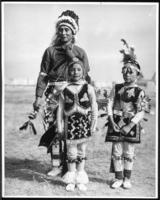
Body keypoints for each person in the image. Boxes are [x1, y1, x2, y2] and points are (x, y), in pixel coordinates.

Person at [33, 10, 91, 177]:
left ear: (74, 32)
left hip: (74, 95)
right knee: (55, 130)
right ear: (57, 31)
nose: (64, 32)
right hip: (53, 95)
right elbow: (43, 75)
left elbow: (85, 75)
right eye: (61, 29)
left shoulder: (80, 52)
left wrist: (70, 53)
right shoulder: (50, 51)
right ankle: (57, 165)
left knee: (74, 130)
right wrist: (38, 96)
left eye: (67, 29)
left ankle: (73, 167)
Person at [105, 39, 150, 189]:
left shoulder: (140, 91)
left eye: (130, 72)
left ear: (137, 74)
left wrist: (130, 124)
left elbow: (141, 111)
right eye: (124, 71)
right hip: (116, 122)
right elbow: (110, 103)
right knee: (117, 150)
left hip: (131, 124)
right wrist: (111, 120)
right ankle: (118, 178)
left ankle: (127, 179)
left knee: (129, 151)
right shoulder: (116, 87)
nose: (126, 74)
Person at [57, 60, 98, 191]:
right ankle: (71, 179)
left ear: (83, 72)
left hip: (84, 125)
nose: (75, 72)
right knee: (71, 152)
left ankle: (80, 179)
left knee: (82, 151)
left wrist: (93, 124)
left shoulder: (89, 88)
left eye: (79, 69)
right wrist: (59, 126)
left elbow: (94, 107)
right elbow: (60, 109)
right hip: (70, 126)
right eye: (73, 69)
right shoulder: (65, 89)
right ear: (69, 72)